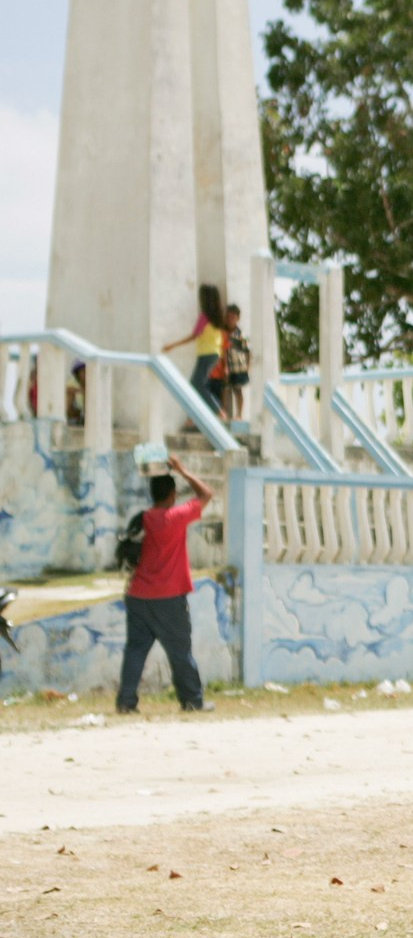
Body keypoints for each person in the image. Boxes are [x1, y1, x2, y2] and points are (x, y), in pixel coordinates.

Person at [116, 456, 214, 714]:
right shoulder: (177, 516)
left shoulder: (143, 519)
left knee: (135, 651)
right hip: (169, 598)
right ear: (171, 494)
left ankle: (126, 702)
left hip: (138, 595)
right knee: (180, 652)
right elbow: (206, 494)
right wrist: (183, 470)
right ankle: (192, 701)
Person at [163, 284, 226, 413]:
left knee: (197, 384)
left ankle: (218, 411)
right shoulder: (218, 317)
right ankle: (204, 412)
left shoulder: (204, 317)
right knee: (197, 384)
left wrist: (173, 345)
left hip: (206, 354)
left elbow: (194, 336)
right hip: (214, 353)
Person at [220, 304, 251, 422]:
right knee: (225, 389)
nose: (229, 320)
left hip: (239, 366)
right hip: (226, 365)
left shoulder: (241, 334)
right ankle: (223, 412)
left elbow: (247, 351)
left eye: (232, 317)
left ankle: (239, 414)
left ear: (237, 318)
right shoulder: (223, 332)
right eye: (227, 317)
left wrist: (248, 366)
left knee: (238, 390)